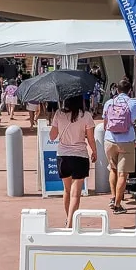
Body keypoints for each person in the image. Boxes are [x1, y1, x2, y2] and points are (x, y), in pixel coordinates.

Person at [50, 95, 96, 227]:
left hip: (63, 156)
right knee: (76, 194)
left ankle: (68, 219)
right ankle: (70, 224)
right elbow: (91, 139)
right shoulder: (86, 115)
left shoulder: (59, 114)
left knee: (67, 191)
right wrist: (94, 151)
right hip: (80, 156)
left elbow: (52, 136)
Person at [103, 77, 136, 214]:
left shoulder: (109, 103)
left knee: (113, 170)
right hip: (127, 142)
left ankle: (112, 197)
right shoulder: (135, 103)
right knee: (123, 174)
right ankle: (117, 205)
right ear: (130, 91)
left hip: (110, 140)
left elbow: (105, 125)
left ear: (117, 89)